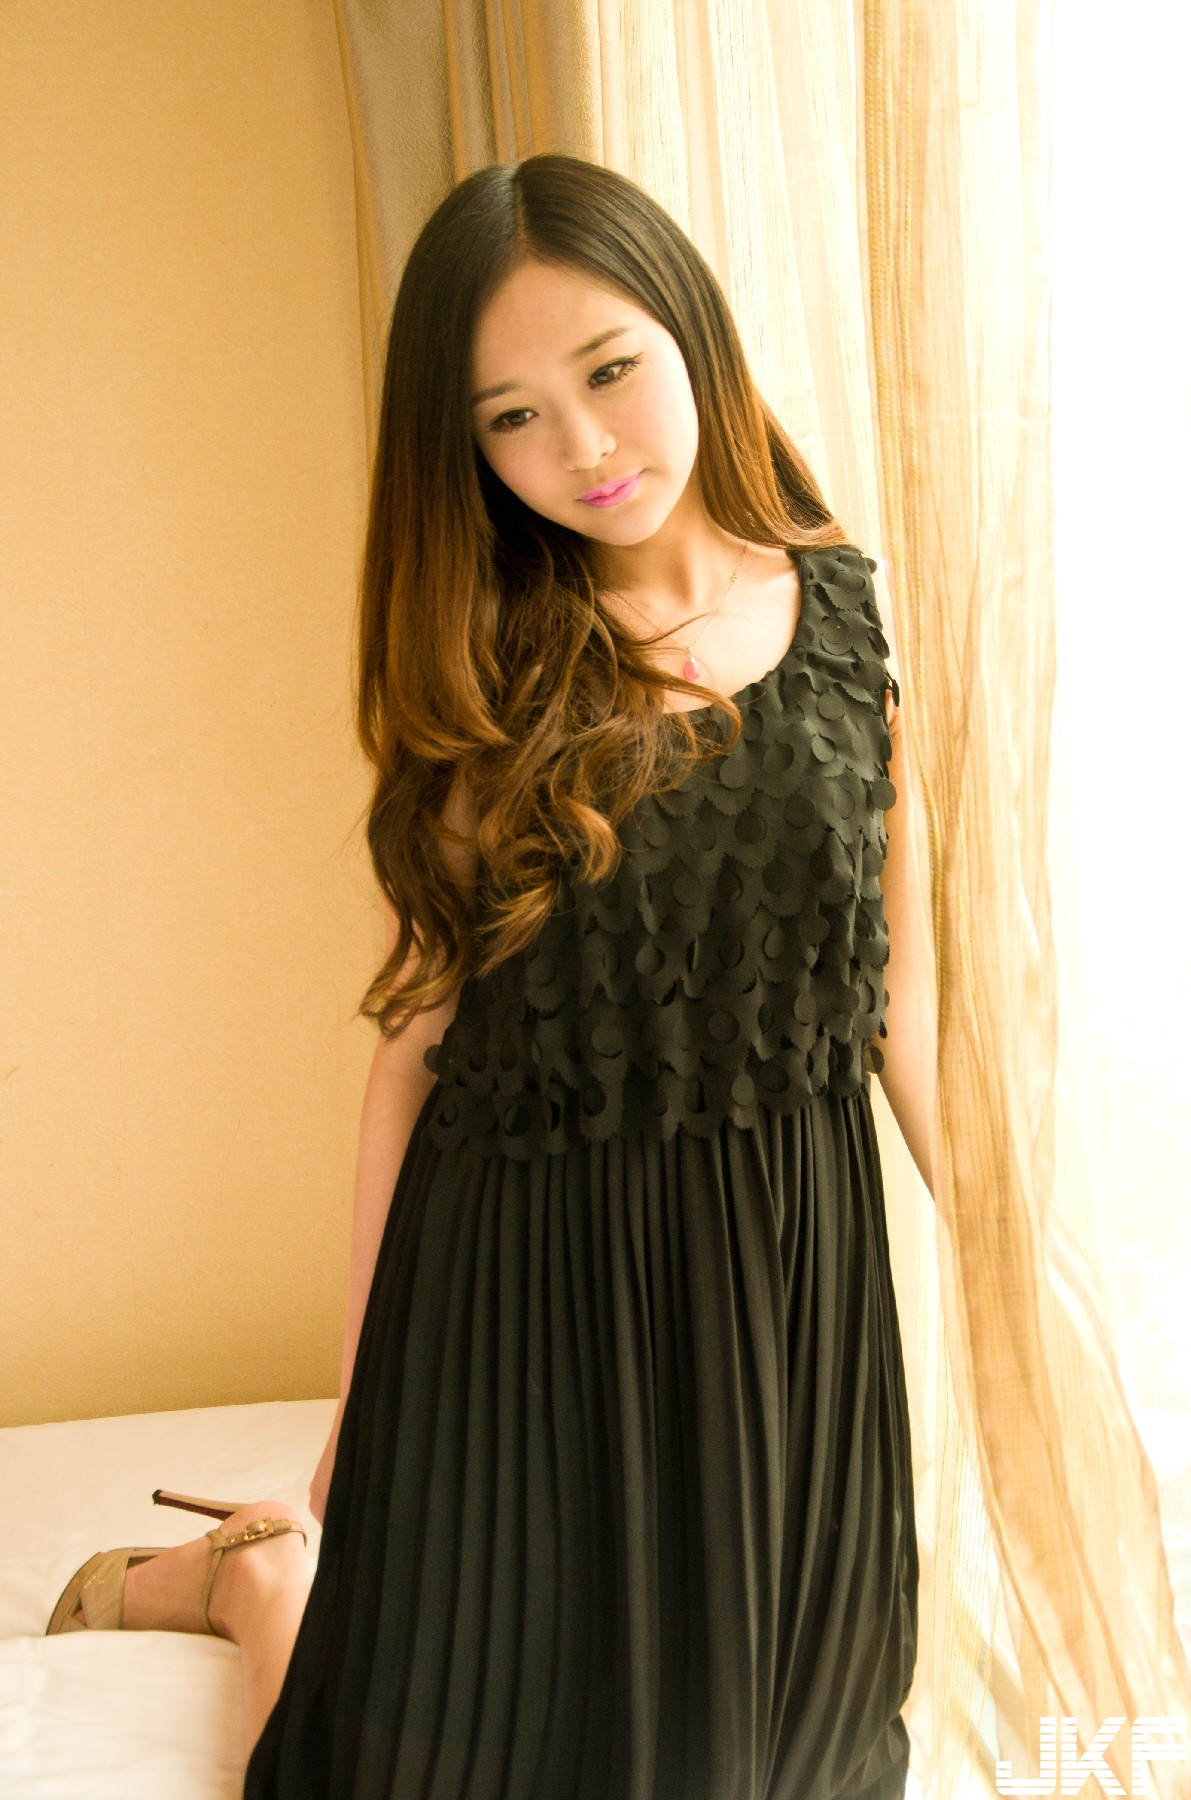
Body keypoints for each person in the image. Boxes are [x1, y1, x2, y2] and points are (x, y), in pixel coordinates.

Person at [49, 153, 937, 1799]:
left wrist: (1023, 1282)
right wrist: (364, 1387)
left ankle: (266, 1575)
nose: (584, 447)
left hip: (786, 1272)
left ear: (692, 331)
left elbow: (898, 1001)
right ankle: (259, 1578)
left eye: (609, 370)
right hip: (527, 1280)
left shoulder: (841, 619)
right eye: (512, 416)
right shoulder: (495, 675)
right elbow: (417, 1045)